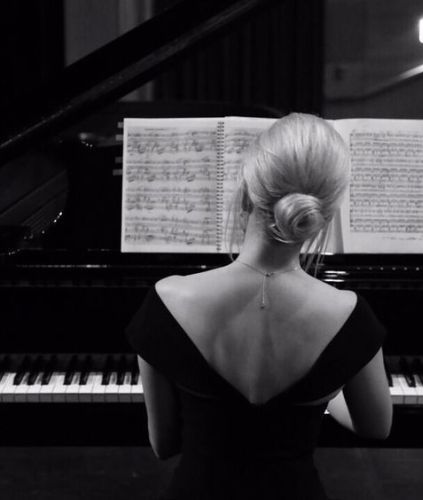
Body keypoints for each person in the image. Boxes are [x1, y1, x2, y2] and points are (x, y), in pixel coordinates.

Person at [126, 113, 392, 500]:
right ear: (323, 215)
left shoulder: (167, 300)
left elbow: (164, 443)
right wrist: (327, 395)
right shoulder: (350, 314)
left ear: (247, 192)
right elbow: (376, 427)